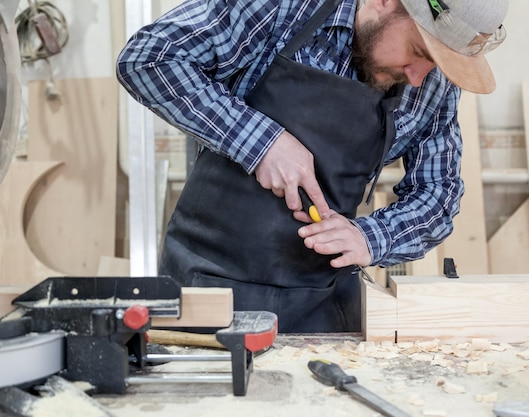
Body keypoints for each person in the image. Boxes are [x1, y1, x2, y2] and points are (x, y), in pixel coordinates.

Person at [116, 0, 508, 333]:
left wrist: (372, 238)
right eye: (420, 52)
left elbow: (438, 194)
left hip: (323, 305)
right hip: (207, 288)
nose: (419, 78)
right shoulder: (285, 7)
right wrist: (261, 142)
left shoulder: (433, 83)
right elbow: (149, 58)